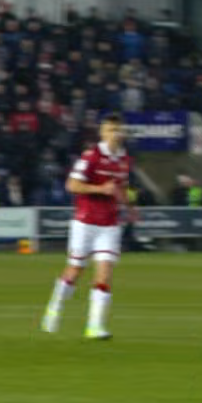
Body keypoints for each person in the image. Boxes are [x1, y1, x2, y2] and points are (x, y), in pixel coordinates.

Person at [41, 115, 133, 340]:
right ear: (102, 133)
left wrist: (129, 206)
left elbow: (121, 187)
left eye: (118, 130)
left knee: (105, 273)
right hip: (85, 222)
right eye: (111, 130)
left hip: (109, 224)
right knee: (75, 270)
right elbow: (72, 185)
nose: (115, 134)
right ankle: (55, 306)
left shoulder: (124, 160)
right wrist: (100, 189)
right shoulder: (91, 156)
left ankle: (95, 326)